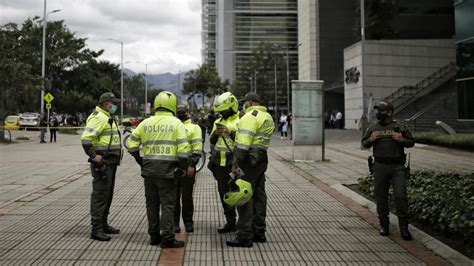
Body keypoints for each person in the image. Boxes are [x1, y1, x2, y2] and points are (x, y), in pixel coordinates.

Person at [127, 91, 191, 248]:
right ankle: (168, 238)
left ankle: (154, 236)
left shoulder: (145, 123)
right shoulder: (177, 124)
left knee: (152, 204)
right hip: (168, 172)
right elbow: (183, 150)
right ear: (172, 106)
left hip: (149, 171)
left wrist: (141, 161)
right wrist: (181, 168)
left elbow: (131, 144)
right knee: (168, 205)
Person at [361, 100, 415, 241]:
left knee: (400, 196)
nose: (378, 113)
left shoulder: (399, 126)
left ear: (390, 112)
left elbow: (411, 142)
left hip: (397, 167)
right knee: (381, 197)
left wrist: (401, 139)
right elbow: (364, 143)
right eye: (378, 110)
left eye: (381, 110)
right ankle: (384, 225)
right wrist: (371, 139)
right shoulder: (374, 127)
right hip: (379, 166)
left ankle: (404, 228)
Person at [227, 92, 275, 247]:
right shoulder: (267, 117)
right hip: (261, 159)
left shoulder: (250, 116)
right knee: (259, 195)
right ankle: (259, 232)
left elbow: (243, 143)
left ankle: (244, 236)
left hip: (248, 160)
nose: (244, 104)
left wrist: (235, 163)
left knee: (244, 196)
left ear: (251, 102)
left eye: (245, 102)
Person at [81, 92, 122, 241]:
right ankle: (96, 229)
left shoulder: (108, 117)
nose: (115, 105)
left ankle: (103, 224)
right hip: (102, 163)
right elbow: (86, 139)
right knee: (100, 196)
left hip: (110, 162)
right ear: (106, 104)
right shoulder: (99, 117)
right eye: (113, 103)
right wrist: (93, 156)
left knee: (107, 195)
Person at [208, 92, 240, 234]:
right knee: (224, 194)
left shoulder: (240, 121)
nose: (222, 113)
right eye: (220, 111)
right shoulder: (218, 121)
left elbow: (244, 140)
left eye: (224, 110)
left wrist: (230, 132)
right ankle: (231, 222)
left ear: (232, 107)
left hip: (233, 163)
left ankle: (244, 223)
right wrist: (215, 134)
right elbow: (212, 141)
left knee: (238, 193)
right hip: (219, 164)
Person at [174, 105, 203, 233]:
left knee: (186, 197)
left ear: (188, 112)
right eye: (179, 112)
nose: (181, 114)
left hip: (187, 166)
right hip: (173, 166)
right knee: (173, 198)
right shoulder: (173, 126)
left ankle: (188, 222)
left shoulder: (194, 128)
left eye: (183, 112)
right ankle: (175, 223)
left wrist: (192, 165)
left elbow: (197, 148)